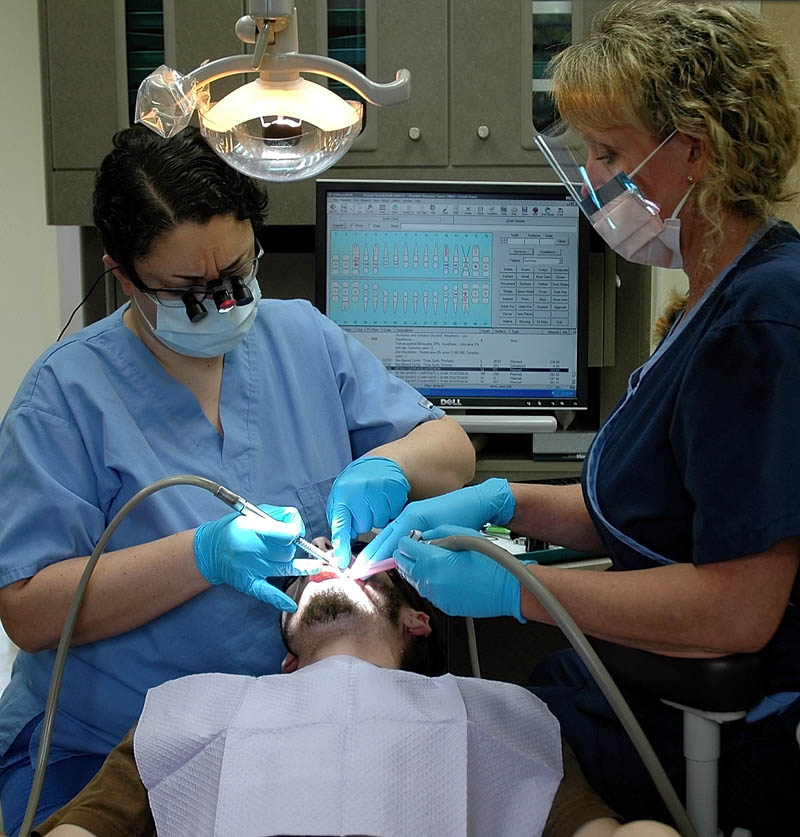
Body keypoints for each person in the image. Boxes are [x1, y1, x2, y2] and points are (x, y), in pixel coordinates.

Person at [356, 1, 800, 833]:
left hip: (715, 731)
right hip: (645, 688)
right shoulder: (712, 300)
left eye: (609, 151)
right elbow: (653, 517)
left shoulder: (762, 320)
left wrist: (523, 590)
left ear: (695, 151)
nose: (591, 176)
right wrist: (504, 501)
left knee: (450, 755)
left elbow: (737, 609)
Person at [0, 124, 475, 833]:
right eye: (192, 291)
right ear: (123, 274)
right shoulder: (64, 398)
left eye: (239, 276)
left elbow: (452, 450)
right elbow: (31, 611)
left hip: (281, 738)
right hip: (101, 750)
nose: (225, 306)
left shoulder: (302, 339)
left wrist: (388, 462)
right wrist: (200, 554)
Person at [33, 548, 678, 837]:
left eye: (359, 561)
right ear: (285, 652)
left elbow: (591, 828)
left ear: (417, 620)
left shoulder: (491, 713)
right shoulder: (194, 708)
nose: (331, 564)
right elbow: (88, 828)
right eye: (311, 571)